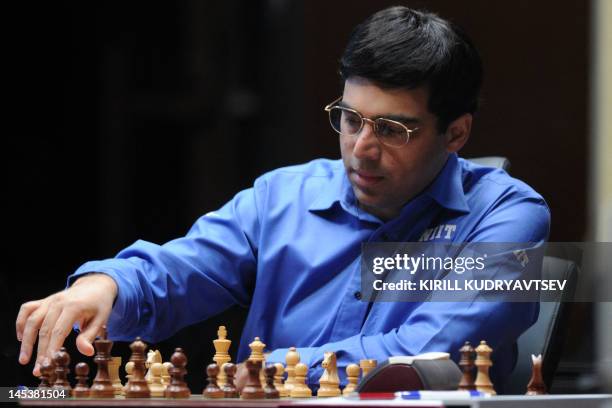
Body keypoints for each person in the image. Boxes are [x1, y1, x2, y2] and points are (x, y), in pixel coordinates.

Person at [16, 6, 549, 390]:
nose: (360, 150)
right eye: (350, 119)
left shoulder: (508, 217)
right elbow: (183, 269)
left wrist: (277, 369)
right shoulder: (283, 196)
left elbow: (439, 350)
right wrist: (107, 284)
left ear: (455, 134)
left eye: (392, 129)